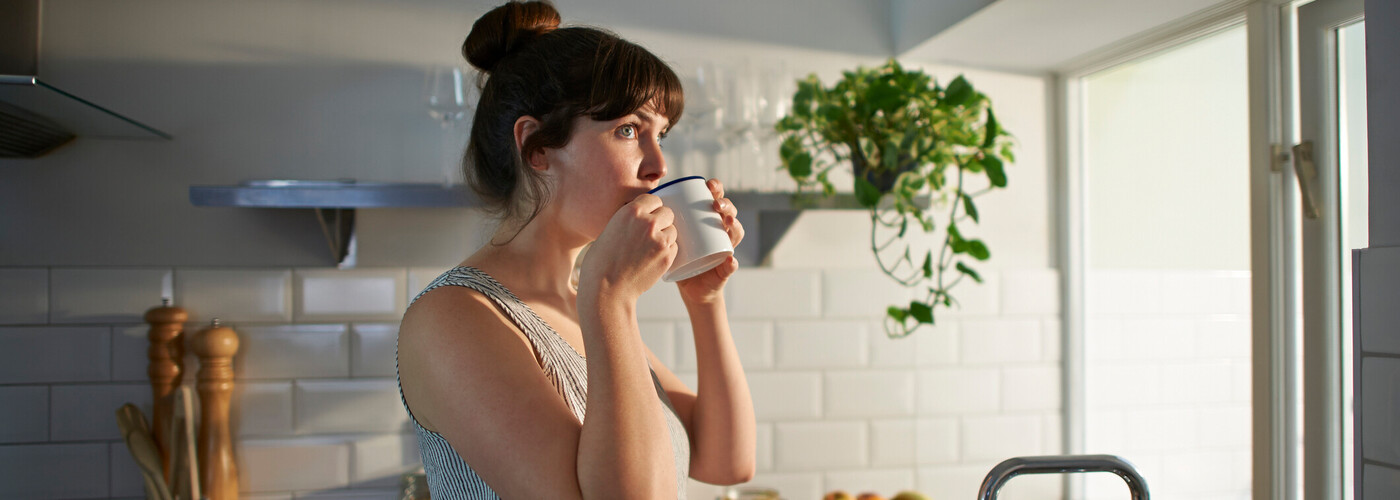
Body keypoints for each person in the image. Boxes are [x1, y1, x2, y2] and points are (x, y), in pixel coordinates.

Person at [395, 2, 756, 498]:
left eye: (661, 134)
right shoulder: (452, 318)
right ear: (537, 146)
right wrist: (610, 297)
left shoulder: (577, 303)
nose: (658, 165)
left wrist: (704, 300)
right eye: (628, 130)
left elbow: (727, 461)